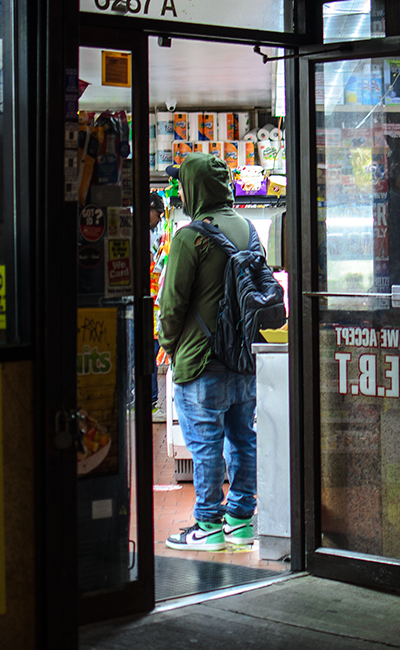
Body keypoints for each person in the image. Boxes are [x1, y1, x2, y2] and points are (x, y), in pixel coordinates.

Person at [157, 153, 256, 551]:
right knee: (242, 439)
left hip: (201, 361)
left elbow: (172, 306)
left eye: (181, 184)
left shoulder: (189, 236)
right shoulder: (249, 229)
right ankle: (241, 520)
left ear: (194, 187)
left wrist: (168, 345)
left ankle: (209, 525)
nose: (179, 191)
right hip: (243, 359)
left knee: (205, 445)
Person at [148, 192, 165, 418]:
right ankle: (148, 401)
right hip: (145, 307)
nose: (160, 218)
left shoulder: (156, 235)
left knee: (150, 353)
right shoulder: (142, 234)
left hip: (152, 307)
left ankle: (150, 400)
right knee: (147, 354)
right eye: (158, 214)